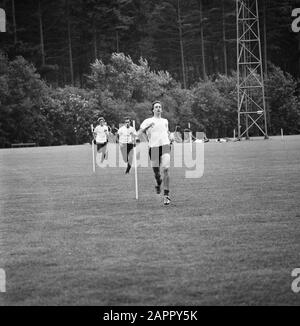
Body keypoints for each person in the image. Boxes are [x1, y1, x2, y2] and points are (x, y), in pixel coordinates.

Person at [138, 101, 172, 206]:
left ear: (161, 109)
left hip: (165, 146)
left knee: (166, 168)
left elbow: (167, 132)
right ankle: (158, 182)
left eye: (159, 107)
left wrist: (170, 137)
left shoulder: (165, 121)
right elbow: (139, 133)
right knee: (157, 173)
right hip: (153, 148)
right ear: (153, 110)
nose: (158, 108)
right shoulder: (148, 121)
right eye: (156, 107)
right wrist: (147, 128)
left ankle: (166, 195)